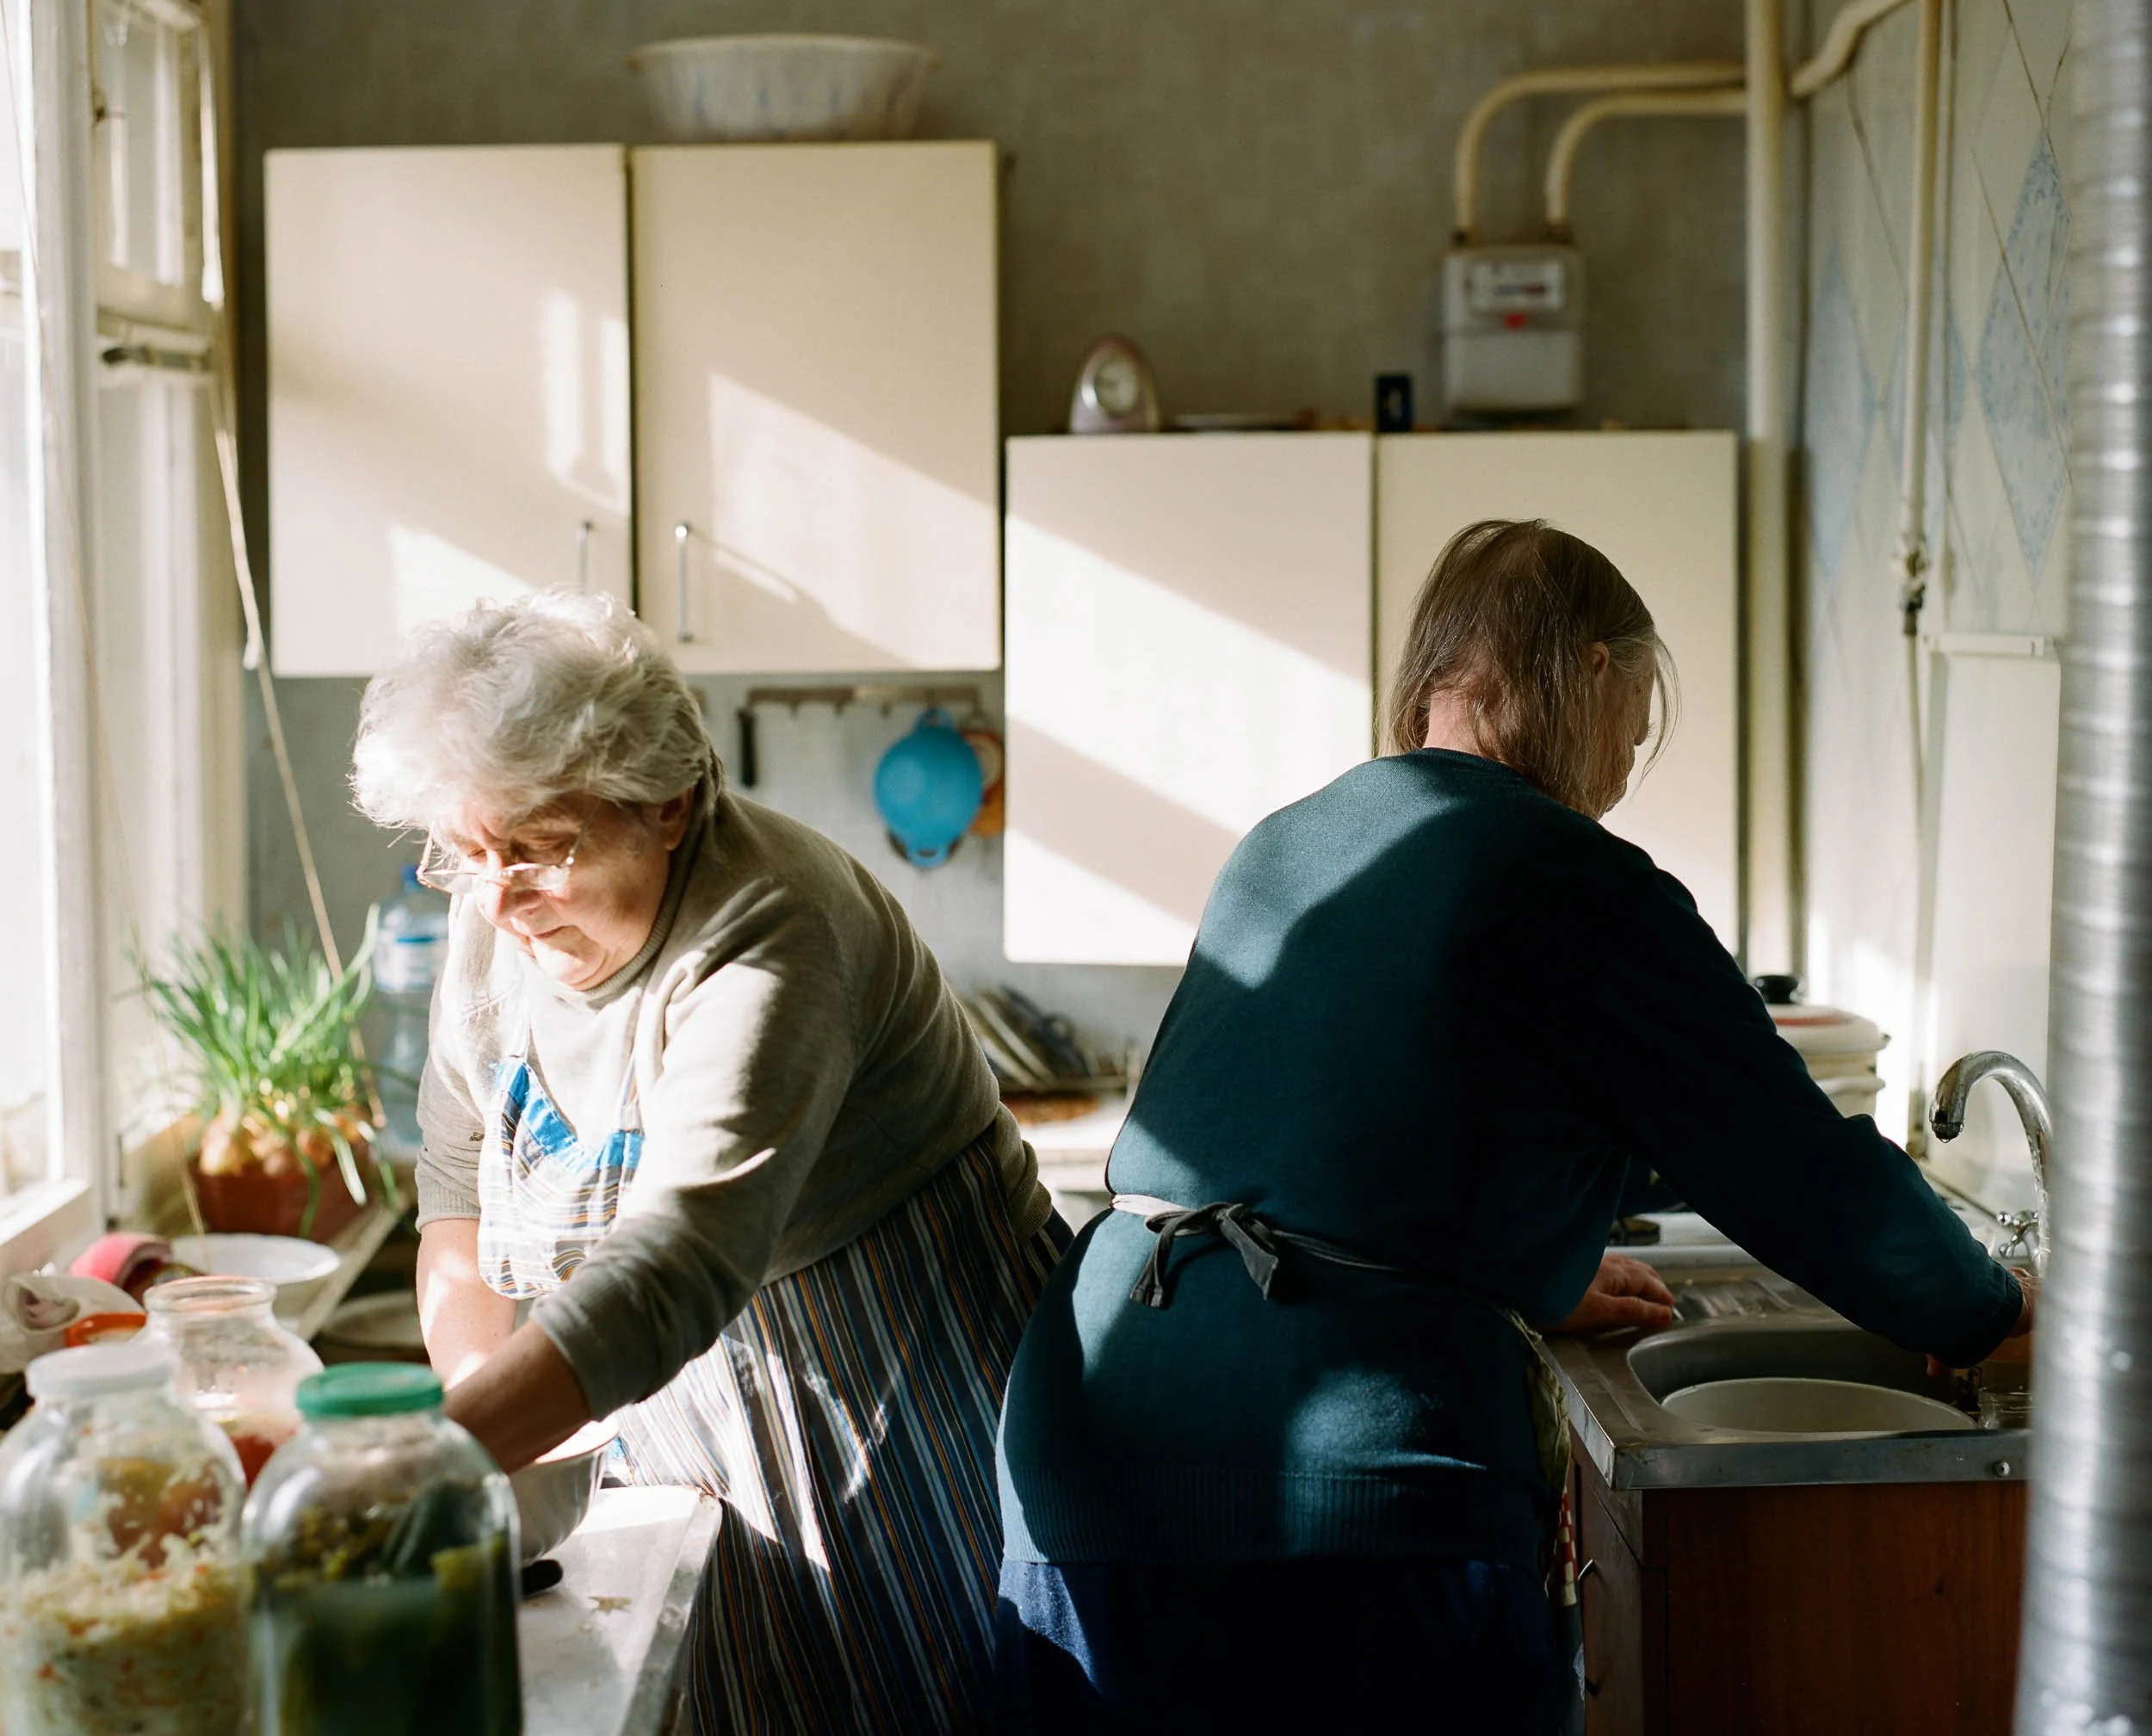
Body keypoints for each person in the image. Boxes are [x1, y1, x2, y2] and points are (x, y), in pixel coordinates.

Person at [992, 519, 2034, 1733]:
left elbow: (1329, 1138)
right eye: (1633, 730)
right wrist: (1992, 1315)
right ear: (1587, 673)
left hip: (1083, 1448)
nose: (1621, 774)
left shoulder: (1286, 839)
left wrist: (1517, 1274)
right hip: (1350, 1491)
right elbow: (1796, 1168)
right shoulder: (1574, 877)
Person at [349, 591, 1062, 1734]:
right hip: (684, 1448)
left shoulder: (772, 929)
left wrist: (428, 1466)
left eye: (539, 849)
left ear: (671, 803)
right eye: (461, 852)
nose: (498, 899)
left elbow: (684, 1253)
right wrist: (491, 1454)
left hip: (917, 1428)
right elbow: (456, 1183)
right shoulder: (493, 924)